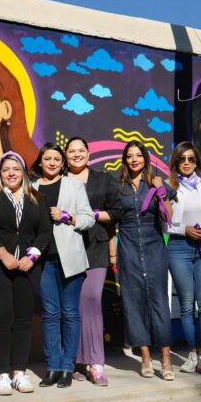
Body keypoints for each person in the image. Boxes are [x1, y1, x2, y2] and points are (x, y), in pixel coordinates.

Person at [0, 152, 52, 395]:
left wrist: (32, 257)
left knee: (22, 321)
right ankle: (2, 375)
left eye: (16, 169)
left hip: (27, 268)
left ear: (23, 173)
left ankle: (19, 373)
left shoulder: (36, 197)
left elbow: (44, 232)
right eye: (6, 169)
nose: (11, 173)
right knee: (1, 320)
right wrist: (3, 254)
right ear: (0, 173)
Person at [30, 143, 94, 388]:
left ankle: (67, 366)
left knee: (70, 313)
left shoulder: (74, 185)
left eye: (57, 158)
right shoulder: (31, 188)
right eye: (48, 158)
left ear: (62, 162)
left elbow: (89, 219)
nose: (53, 162)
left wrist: (68, 217)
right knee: (50, 315)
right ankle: (53, 367)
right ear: (40, 162)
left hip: (71, 260)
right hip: (44, 261)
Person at [114, 141, 175, 380]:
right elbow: (114, 220)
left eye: (138, 155)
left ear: (145, 158)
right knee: (133, 301)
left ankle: (166, 359)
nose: (134, 159)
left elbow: (168, 216)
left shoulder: (157, 183)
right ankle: (146, 357)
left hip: (154, 246)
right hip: (128, 247)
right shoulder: (118, 187)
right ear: (125, 160)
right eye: (129, 156)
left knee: (159, 301)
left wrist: (161, 193)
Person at [64, 137, 121, 386]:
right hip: (67, 248)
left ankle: (96, 362)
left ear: (88, 153)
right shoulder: (59, 181)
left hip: (95, 246)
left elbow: (118, 211)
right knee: (73, 304)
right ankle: (77, 361)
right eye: (71, 151)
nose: (76, 155)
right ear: (65, 155)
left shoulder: (103, 179)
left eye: (80, 151)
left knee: (91, 300)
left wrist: (92, 215)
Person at [166, 142, 201, 377]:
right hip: (179, 247)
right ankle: (193, 353)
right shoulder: (170, 187)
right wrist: (183, 229)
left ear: (197, 162)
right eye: (182, 159)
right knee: (187, 305)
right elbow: (165, 221)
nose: (187, 162)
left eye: (191, 158)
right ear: (176, 162)